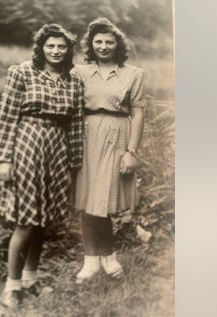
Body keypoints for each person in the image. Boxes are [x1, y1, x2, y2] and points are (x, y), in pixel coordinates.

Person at [0, 23, 84, 308]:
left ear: (68, 50)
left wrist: (73, 164)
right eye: (50, 45)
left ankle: (31, 278)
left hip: (57, 148)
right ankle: (11, 286)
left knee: (43, 220)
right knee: (27, 220)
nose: (55, 51)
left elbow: (76, 125)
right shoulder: (22, 72)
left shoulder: (73, 80)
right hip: (26, 144)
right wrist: (3, 158)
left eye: (61, 46)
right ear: (41, 47)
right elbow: (6, 116)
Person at [74, 18, 146, 283]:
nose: (103, 46)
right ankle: (91, 261)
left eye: (109, 41)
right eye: (98, 41)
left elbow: (138, 115)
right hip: (86, 135)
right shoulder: (79, 72)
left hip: (117, 135)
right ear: (91, 45)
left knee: (102, 200)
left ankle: (108, 255)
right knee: (88, 199)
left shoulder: (134, 74)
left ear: (118, 45)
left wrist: (131, 151)